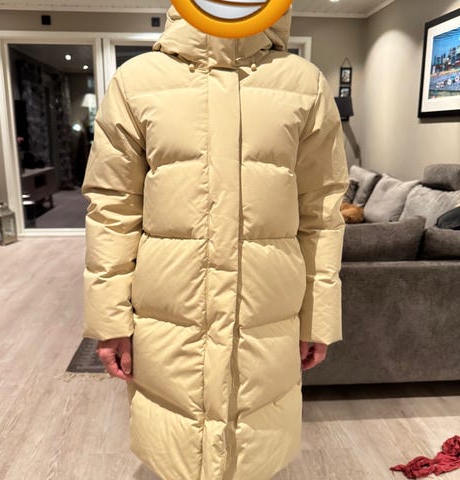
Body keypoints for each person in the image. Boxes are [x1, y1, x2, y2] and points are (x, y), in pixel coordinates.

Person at [81, 5, 348, 480]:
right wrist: (110, 320)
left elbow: (322, 212)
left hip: (266, 310)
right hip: (170, 311)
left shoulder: (304, 83)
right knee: (177, 444)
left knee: (256, 442)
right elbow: (112, 209)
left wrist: (319, 315)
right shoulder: (136, 81)